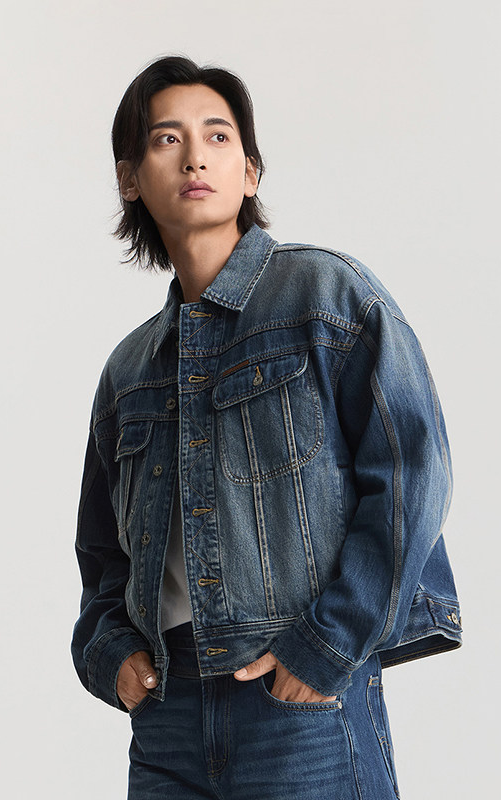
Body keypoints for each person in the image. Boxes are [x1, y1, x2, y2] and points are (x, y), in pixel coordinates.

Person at [71, 54, 463, 799]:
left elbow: (413, 472)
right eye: (167, 139)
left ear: (250, 172)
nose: (195, 156)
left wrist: (329, 643)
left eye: (218, 137)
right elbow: (101, 550)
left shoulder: (326, 296)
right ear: (130, 178)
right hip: (166, 718)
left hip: (296, 701)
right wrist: (111, 650)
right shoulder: (129, 370)